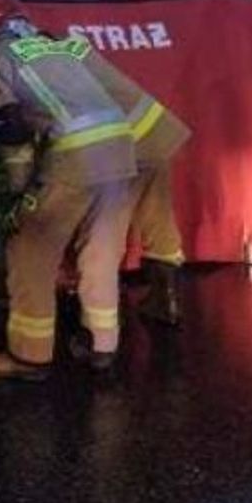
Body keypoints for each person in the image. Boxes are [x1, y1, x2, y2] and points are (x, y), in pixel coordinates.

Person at [0, 0, 136, 381]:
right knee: (100, 252)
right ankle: (101, 345)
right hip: (120, 147)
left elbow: (11, 130)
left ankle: (30, 355)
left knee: (29, 251)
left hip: (75, 153)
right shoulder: (58, 44)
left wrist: (19, 186)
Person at [75, 43, 191, 325]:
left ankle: (99, 331)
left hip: (122, 147)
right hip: (156, 133)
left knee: (105, 233)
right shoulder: (71, 48)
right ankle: (168, 301)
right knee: (157, 218)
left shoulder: (33, 68)